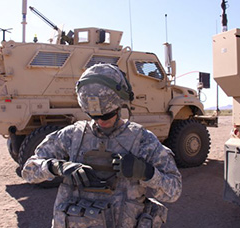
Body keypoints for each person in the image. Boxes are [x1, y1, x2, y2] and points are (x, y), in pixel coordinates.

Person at [22, 63, 182, 228]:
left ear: (120, 105)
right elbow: (28, 171)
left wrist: (147, 172)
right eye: (94, 116)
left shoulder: (143, 141)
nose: (100, 121)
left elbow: (174, 192)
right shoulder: (72, 136)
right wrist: (56, 167)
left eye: (106, 115)